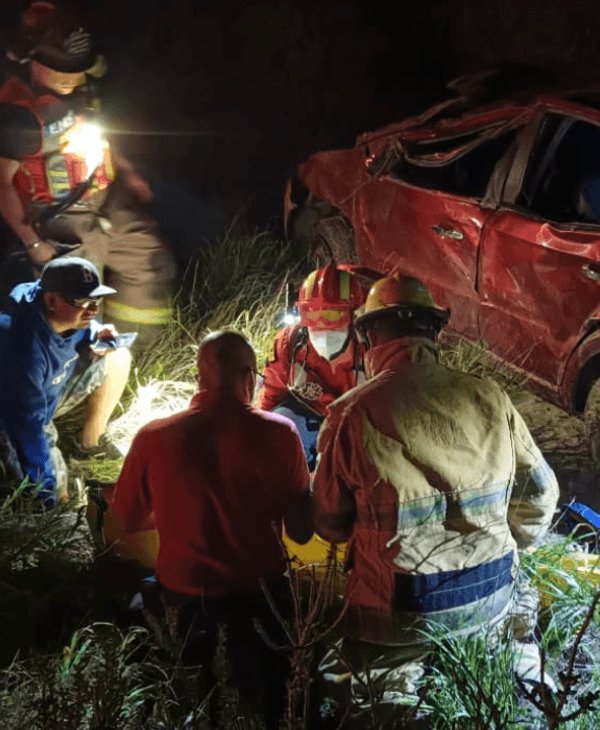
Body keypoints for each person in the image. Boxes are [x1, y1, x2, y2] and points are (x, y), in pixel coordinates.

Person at [312, 273, 560, 722]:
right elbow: (541, 494)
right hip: (492, 595)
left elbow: (328, 522)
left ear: (368, 336)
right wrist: (506, 544)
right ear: (435, 332)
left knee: (349, 685)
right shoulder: (491, 397)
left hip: (397, 615)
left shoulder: (350, 413)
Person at [109, 329, 313, 728]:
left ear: (200, 378)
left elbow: (128, 521)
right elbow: (302, 531)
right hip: (263, 603)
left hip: (185, 604)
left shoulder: (154, 437)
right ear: (249, 377)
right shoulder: (281, 433)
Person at [0, 1, 176, 344]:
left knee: (149, 260)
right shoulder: (17, 113)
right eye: (62, 68)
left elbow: (101, 127)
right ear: (32, 58)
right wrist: (33, 244)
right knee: (76, 305)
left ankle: (140, 352)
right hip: (60, 215)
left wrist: (128, 170)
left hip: (105, 194)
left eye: (77, 68)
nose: (72, 76)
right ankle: (85, 376)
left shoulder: (82, 86)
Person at [0, 257, 133, 508]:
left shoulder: (66, 316)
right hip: (2, 422)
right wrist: (46, 494)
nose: (93, 310)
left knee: (118, 355)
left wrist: (103, 339)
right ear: (52, 300)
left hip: (43, 395)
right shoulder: (21, 347)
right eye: (83, 302)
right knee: (47, 497)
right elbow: (27, 426)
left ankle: (89, 443)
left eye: (96, 300)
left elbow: (92, 329)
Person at [258, 265, 368, 467]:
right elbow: (270, 395)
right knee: (278, 425)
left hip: (356, 425)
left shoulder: (371, 349)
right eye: (312, 315)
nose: (322, 325)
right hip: (308, 416)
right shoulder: (290, 344)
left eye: (333, 315)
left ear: (355, 315)